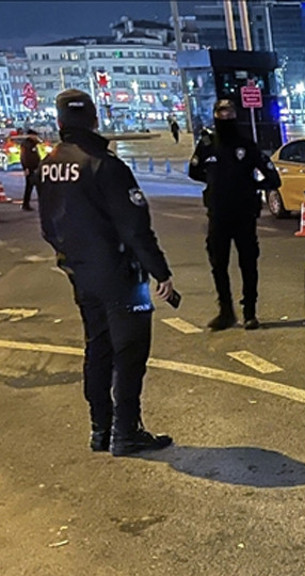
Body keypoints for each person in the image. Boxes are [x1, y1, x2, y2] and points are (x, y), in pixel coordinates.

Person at [37, 89, 177, 456]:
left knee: (97, 349)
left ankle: (100, 429)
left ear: (60, 122)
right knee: (129, 355)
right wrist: (160, 271)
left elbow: (48, 226)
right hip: (119, 275)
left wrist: (70, 259)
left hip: (81, 274)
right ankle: (126, 432)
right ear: (95, 119)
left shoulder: (48, 165)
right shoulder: (105, 164)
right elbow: (135, 227)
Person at [188, 98, 281, 331]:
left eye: (229, 111)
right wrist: (215, 183)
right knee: (218, 265)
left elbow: (272, 178)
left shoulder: (246, 145)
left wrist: (248, 186)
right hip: (218, 216)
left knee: (248, 263)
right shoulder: (208, 144)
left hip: (244, 216)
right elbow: (194, 171)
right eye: (221, 111)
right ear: (215, 115)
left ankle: (250, 312)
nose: (225, 115)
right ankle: (226, 312)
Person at [19, 128, 41, 211]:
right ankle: (26, 204)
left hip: (35, 168)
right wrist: (26, 168)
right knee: (31, 187)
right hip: (31, 168)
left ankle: (26, 204)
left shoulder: (32, 144)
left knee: (32, 186)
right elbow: (24, 157)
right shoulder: (26, 145)